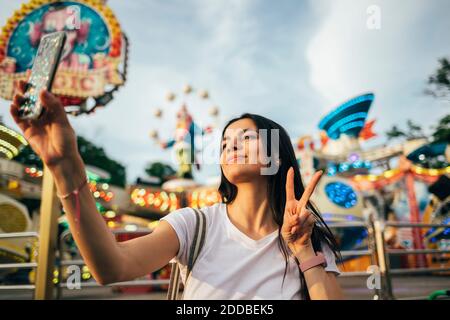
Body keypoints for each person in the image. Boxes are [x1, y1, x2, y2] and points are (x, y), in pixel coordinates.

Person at [10, 82, 344, 299]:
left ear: (276, 154)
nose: (231, 146)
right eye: (225, 142)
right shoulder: (194, 225)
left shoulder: (306, 236)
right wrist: (66, 168)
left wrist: (302, 250)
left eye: (246, 138)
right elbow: (112, 267)